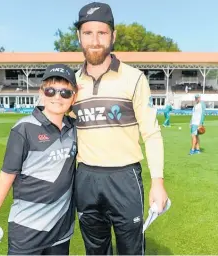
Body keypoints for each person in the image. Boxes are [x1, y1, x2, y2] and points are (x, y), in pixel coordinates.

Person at [71, 2, 168, 255]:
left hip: (125, 178)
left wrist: (157, 181)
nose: (95, 40)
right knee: (95, 250)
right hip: (86, 178)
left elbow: (151, 133)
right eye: (88, 33)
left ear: (113, 36)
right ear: (79, 37)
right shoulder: (70, 83)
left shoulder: (134, 78)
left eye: (102, 33)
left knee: (131, 250)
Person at [0, 64, 78, 255]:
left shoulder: (75, 129)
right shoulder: (24, 128)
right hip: (27, 229)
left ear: (74, 96)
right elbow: (7, 175)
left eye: (65, 93)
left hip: (61, 231)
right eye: (51, 90)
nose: (57, 97)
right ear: (42, 92)